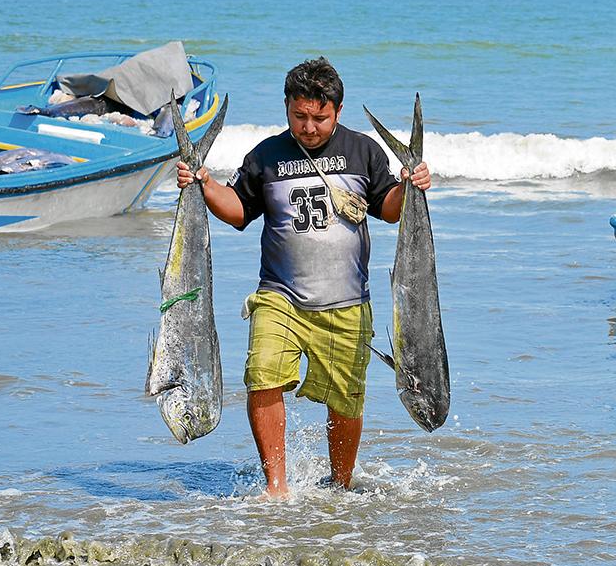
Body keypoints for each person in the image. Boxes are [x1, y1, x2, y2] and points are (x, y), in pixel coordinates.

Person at [177, 57, 432, 497]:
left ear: (337, 110)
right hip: (280, 297)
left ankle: (340, 485)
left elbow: (388, 210)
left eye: (319, 117)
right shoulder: (266, 156)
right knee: (262, 375)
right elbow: (238, 211)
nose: (309, 127)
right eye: (299, 116)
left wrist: (410, 185)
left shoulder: (362, 151)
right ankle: (276, 488)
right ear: (287, 108)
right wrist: (202, 182)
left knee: (346, 397)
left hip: (347, 301)